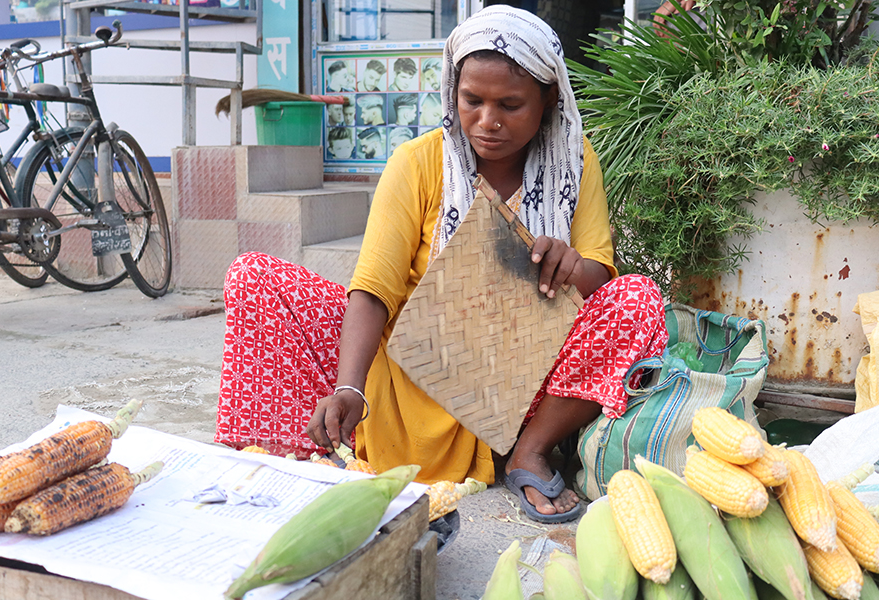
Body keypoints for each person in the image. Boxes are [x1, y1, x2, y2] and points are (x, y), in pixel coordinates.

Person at [214, 6, 666, 523]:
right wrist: (350, 386)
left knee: (637, 300)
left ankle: (530, 451)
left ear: (548, 99)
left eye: (511, 105)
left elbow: (600, 275)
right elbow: (374, 287)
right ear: (453, 91)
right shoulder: (418, 162)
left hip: (518, 379)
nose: (488, 120)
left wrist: (570, 266)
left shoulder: (575, 160)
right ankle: (283, 460)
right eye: (472, 100)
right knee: (255, 277)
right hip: (414, 366)